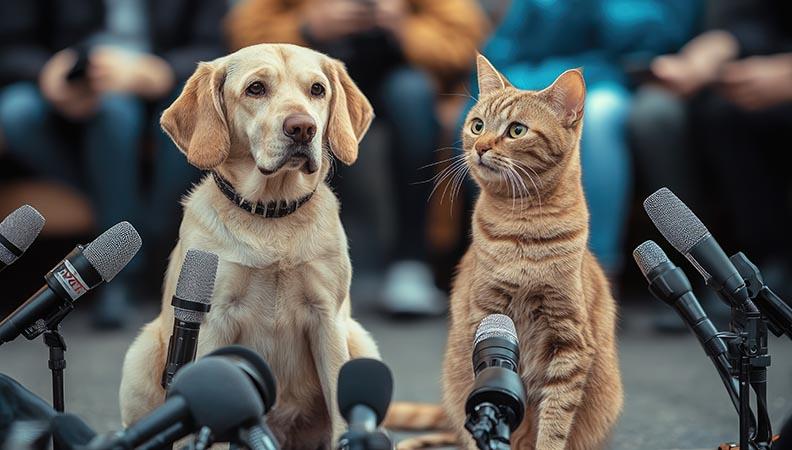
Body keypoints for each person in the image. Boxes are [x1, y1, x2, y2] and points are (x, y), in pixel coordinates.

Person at [226, 0, 488, 316]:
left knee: (412, 96)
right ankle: (284, 263)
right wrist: (308, 27)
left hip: (403, 77)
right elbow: (240, 38)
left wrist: (403, 27)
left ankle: (410, 263)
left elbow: (466, 42)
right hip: (310, 73)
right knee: (308, 102)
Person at [0, 0, 229, 328]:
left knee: (157, 112)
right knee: (17, 112)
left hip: (163, 86)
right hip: (76, 94)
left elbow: (217, 46)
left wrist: (162, 71)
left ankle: (124, 262)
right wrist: (49, 72)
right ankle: (132, 235)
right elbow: (12, 44)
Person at [465, 0, 699, 279]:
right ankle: (494, 262)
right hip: (531, 86)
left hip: (610, 81)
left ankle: (597, 268)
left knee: (600, 118)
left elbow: (650, 44)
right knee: (478, 120)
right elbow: (503, 50)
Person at [629, 0, 792, 300]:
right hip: (747, 70)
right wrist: (713, 51)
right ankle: (730, 271)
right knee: (724, 112)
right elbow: (745, 19)